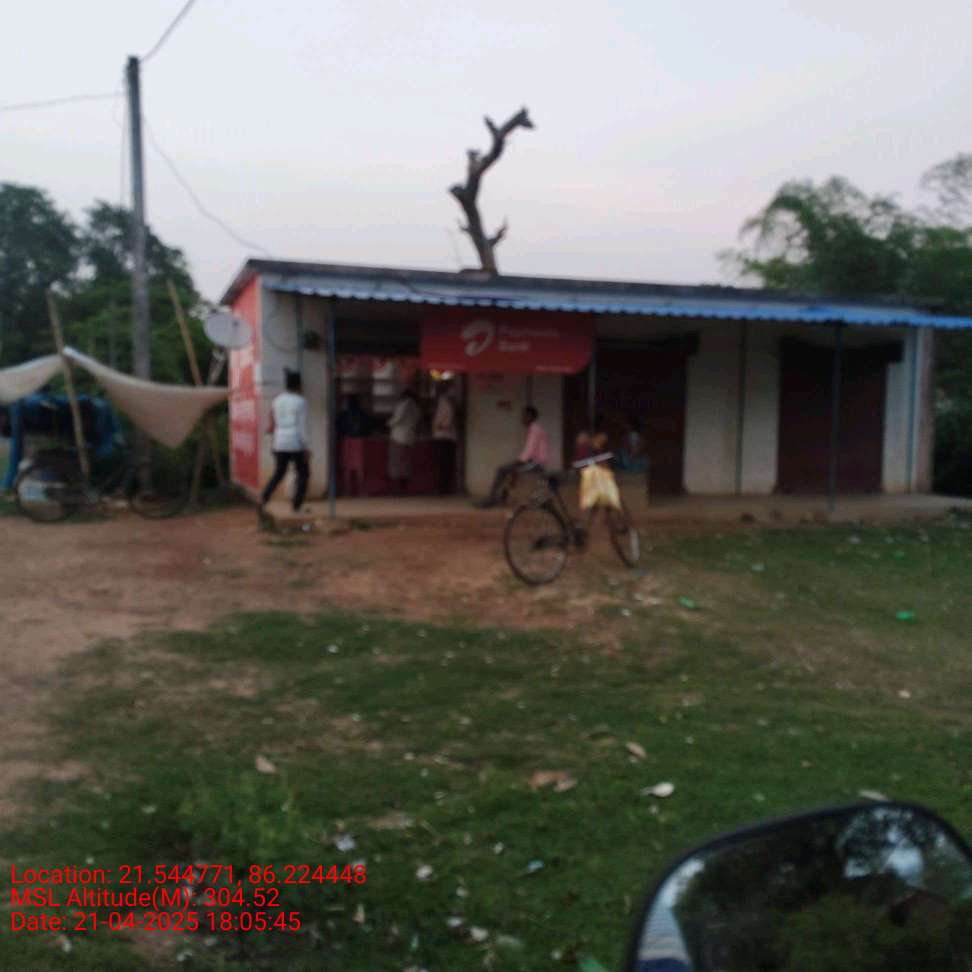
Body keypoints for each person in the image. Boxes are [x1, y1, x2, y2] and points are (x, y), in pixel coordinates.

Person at [475, 405, 550, 508]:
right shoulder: (534, 429)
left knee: (502, 470)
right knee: (508, 470)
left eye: (525, 415)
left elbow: (529, 450)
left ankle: (491, 499)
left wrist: (518, 462)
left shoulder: (535, 430)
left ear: (531, 416)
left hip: (536, 464)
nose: (522, 418)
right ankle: (500, 498)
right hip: (533, 462)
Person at [259, 370, 310, 516]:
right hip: (295, 441)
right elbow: (302, 426)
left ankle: (264, 497)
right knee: (303, 474)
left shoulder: (277, 400)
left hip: (280, 440)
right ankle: (296, 506)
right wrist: (306, 446)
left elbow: (273, 422)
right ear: (299, 385)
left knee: (279, 473)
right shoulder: (301, 401)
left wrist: (272, 442)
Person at [387, 388, 422, 495]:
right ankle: (404, 488)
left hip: (399, 437)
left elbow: (397, 419)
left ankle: (397, 489)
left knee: (397, 462)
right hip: (409, 437)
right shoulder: (416, 406)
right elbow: (417, 419)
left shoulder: (404, 404)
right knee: (406, 462)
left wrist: (387, 423)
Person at [432, 380, 458, 495]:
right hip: (446, 436)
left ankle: (443, 488)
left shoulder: (444, 402)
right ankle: (445, 487)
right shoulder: (447, 402)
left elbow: (446, 420)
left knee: (443, 464)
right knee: (445, 464)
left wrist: (441, 426)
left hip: (444, 436)